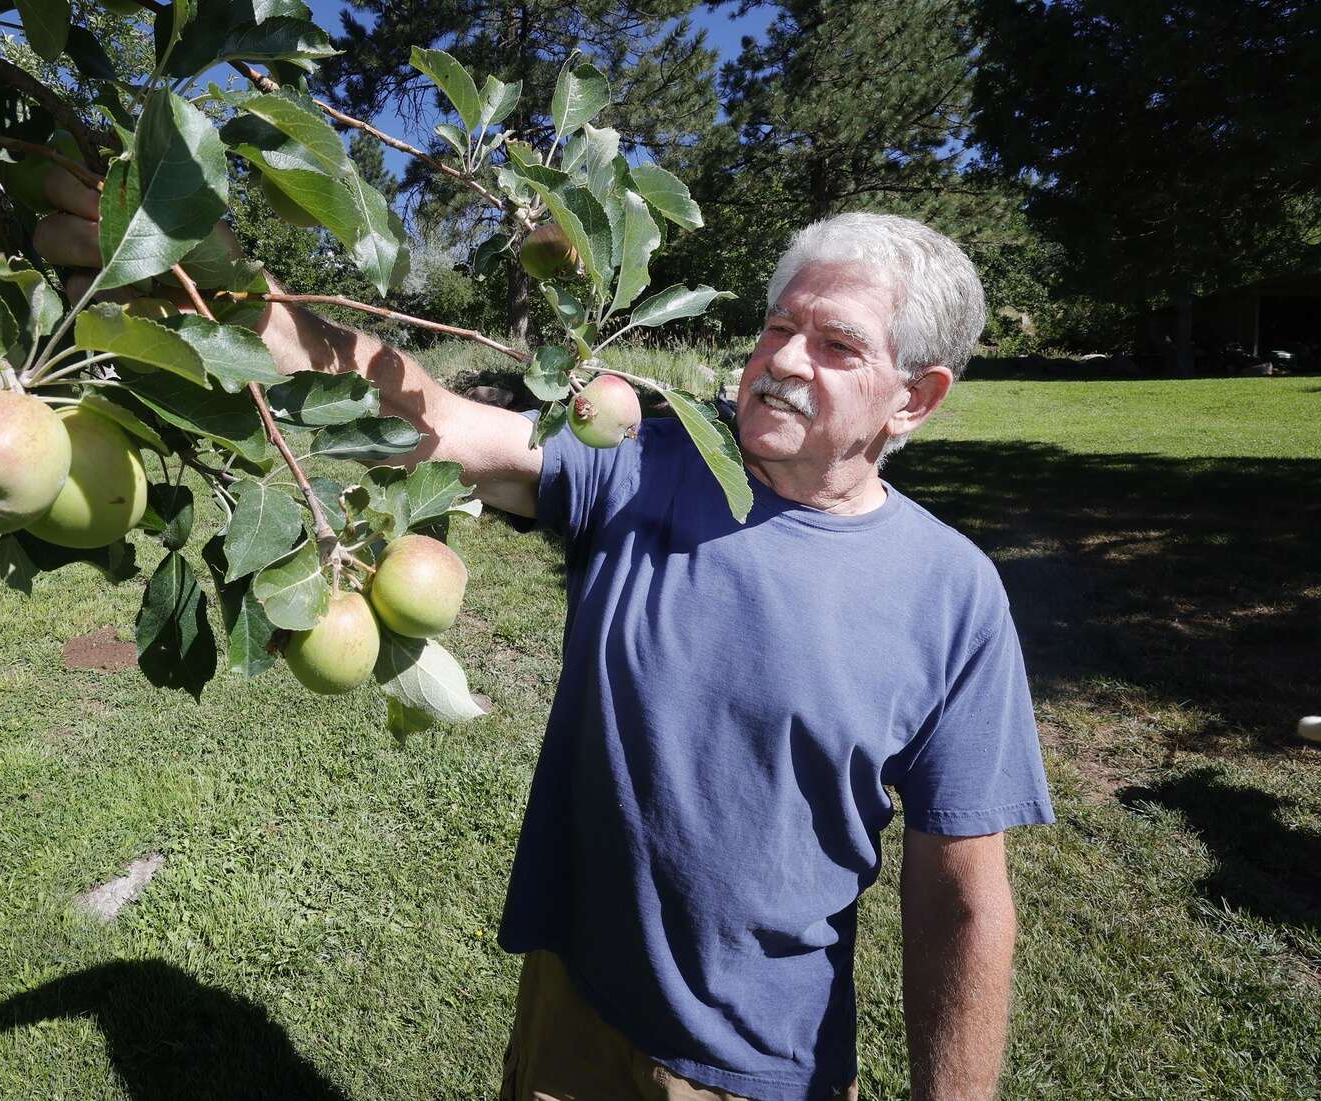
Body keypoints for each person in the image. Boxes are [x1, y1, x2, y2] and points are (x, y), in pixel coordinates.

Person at [254, 211, 1057, 1100]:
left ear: (916, 396)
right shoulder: (649, 461)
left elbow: (962, 898)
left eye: (837, 345)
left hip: (757, 1064)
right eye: (780, 326)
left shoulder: (953, 593)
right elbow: (436, 423)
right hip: (574, 1006)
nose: (786, 360)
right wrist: (232, 304)